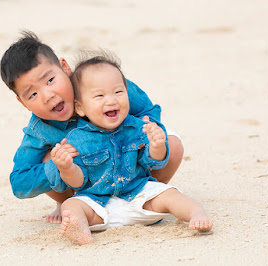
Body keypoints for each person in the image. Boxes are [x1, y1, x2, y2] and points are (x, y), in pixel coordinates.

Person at [0, 31, 184, 223]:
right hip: (83, 185)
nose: (48, 96)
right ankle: (71, 204)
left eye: (50, 80)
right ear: (23, 103)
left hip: (127, 167)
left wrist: (147, 129)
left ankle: (146, 197)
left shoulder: (101, 83)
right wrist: (60, 165)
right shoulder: (40, 129)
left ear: (64, 68)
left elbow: (147, 109)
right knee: (52, 156)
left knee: (172, 144)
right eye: (33, 95)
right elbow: (19, 183)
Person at [50, 51, 212, 245]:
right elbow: (77, 182)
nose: (111, 100)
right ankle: (81, 227)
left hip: (140, 195)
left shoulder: (137, 127)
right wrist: (66, 167)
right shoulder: (76, 139)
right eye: (99, 95)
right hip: (97, 204)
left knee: (170, 194)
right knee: (71, 204)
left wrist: (157, 145)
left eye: (118, 92)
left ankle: (196, 214)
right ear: (80, 107)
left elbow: (151, 161)